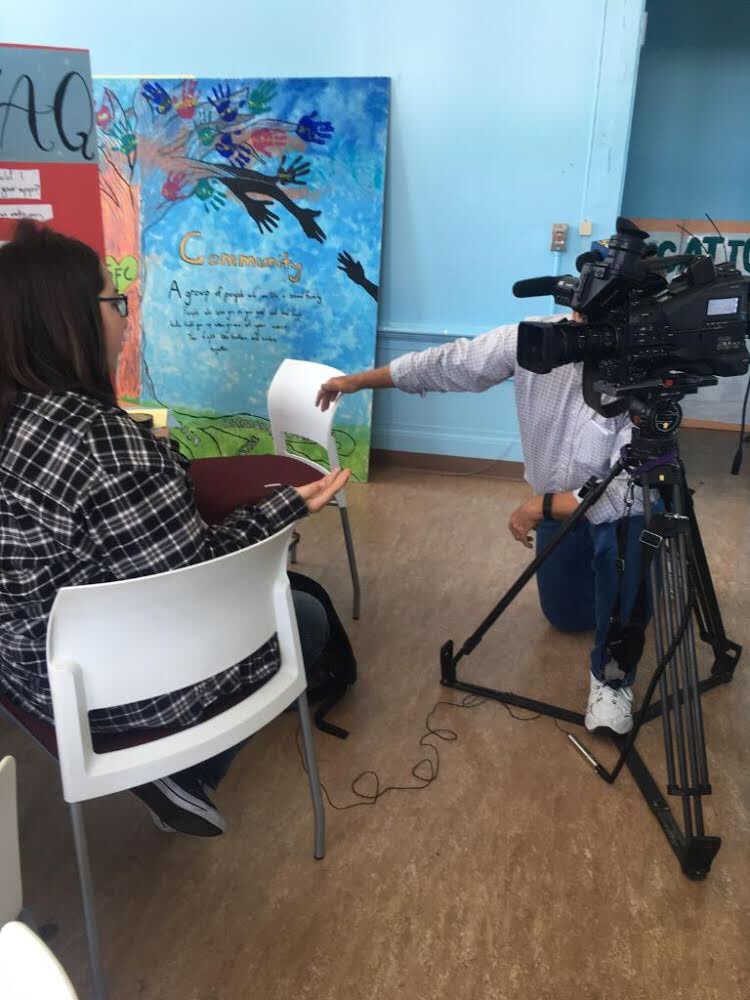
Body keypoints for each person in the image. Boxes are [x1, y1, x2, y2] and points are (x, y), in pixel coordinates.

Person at [0, 221, 350, 837]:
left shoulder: (23, 416)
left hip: (21, 662)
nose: (124, 317)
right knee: (307, 615)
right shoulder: (103, 443)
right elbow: (196, 578)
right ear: (66, 322)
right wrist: (286, 509)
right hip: (101, 689)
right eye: (114, 302)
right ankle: (177, 770)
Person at [317, 316, 648, 735]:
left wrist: (538, 507)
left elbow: (622, 491)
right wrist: (360, 381)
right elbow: (450, 363)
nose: (585, 318)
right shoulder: (535, 338)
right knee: (565, 617)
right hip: (560, 503)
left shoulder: (648, 358)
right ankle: (627, 583)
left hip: (618, 507)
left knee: (626, 537)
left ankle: (613, 678)